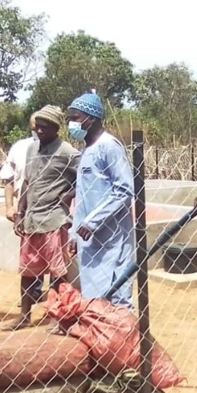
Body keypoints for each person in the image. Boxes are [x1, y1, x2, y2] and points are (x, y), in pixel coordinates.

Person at [7, 105, 80, 329]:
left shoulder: (67, 152)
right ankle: (24, 316)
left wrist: (68, 195)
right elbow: (27, 183)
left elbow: (86, 178)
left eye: (45, 127)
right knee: (28, 270)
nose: (39, 131)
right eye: (37, 127)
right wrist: (20, 213)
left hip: (54, 219)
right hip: (32, 219)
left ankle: (56, 316)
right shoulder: (32, 149)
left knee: (57, 272)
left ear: (56, 128)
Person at [67, 91, 135, 309]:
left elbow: (124, 190)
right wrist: (75, 232)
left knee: (116, 297)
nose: (71, 123)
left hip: (111, 236)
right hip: (88, 238)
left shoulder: (109, 146)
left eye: (76, 118)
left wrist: (93, 221)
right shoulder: (86, 151)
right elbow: (83, 197)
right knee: (94, 298)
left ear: (92, 119)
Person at [0, 115, 43, 317]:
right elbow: (9, 179)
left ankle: (53, 303)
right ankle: (30, 300)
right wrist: (10, 207)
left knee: (54, 261)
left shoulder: (62, 150)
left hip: (50, 210)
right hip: (25, 209)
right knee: (29, 258)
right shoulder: (20, 147)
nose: (38, 130)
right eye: (35, 126)